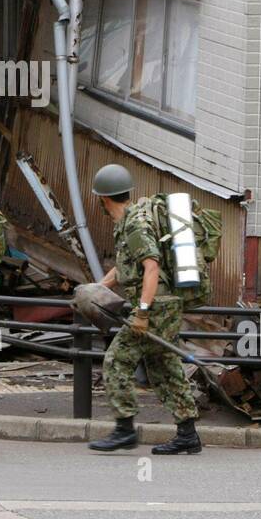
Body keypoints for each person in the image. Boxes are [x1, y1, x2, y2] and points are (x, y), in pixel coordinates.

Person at [87, 164, 202, 455]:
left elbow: (151, 267)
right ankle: (188, 434)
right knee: (164, 368)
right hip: (163, 306)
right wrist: (99, 288)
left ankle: (124, 429)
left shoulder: (135, 225)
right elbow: (127, 266)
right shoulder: (130, 221)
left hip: (155, 308)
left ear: (104, 199)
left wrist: (141, 313)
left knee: (115, 361)